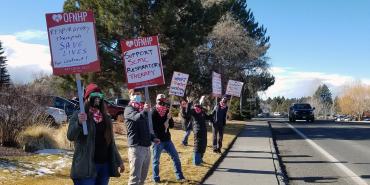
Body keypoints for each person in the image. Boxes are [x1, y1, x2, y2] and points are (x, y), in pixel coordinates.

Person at [67, 83, 124, 185]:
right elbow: (70, 136)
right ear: (87, 98)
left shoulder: (106, 117)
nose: (97, 98)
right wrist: (79, 123)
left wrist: (119, 161)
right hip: (86, 166)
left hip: (104, 166)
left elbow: (111, 143)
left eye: (100, 96)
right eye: (94, 96)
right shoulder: (79, 115)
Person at [124, 89, 160, 185]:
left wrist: (153, 138)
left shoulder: (142, 109)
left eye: (138, 94)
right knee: (135, 178)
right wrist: (145, 110)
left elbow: (146, 128)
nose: (136, 96)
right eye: (134, 94)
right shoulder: (128, 109)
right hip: (136, 148)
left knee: (142, 178)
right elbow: (137, 117)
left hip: (147, 148)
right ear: (130, 96)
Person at [151, 94, 185, 183]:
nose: (161, 102)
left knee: (176, 157)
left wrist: (170, 119)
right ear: (156, 100)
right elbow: (151, 128)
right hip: (157, 140)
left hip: (167, 140)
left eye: (163, 100)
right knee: (156, 161)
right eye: (159, 100)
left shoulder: (167, 111)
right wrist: (156, 136)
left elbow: (172, 126)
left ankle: (179, 176)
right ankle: (156, 178)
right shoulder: (153, 112)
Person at [183, 98, 212, 166]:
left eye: (198, 105)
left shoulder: (202, 111)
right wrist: (189, 103)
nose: (197, 107)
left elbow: (207, 117)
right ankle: (196, 161)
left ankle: (200, 159)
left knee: (203, 145)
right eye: (196, 105)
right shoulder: (193, 111)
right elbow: (187, 113)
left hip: (204, 130)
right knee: (198, 145)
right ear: (194, 105)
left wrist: (213, 112)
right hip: (197, 131)